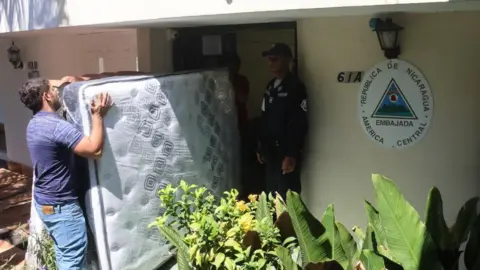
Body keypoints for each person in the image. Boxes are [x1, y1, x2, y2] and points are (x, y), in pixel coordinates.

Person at [19, 77, 112, 270]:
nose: (57, 92)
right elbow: (95, 151)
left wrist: (67, 79)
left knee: (64, 254)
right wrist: (98, 116)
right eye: (53, 90)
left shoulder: (34, 123)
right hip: (62, 207)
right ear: (46, 96)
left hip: (45, 204)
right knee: (72, 262)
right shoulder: (56, 126)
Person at [256, 43, 308, 200]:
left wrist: (291, 153)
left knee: (287, 197)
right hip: (270, 152)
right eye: (269, 60)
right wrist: (260, 146)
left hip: (285, 152)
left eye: (274, 59)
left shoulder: (295, 86)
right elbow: (264, 117)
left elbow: (298, 122)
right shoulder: (270, 86)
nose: (270, 63)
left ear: (287, 61)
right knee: (272, 196)